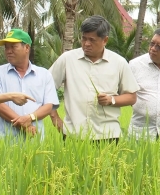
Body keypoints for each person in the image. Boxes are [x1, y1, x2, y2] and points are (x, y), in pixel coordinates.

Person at [49, 15, 139, 144]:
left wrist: (111, 100)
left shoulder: (119, 62)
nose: (86, 44)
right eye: (84, 38)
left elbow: (131, 97)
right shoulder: (67, 59)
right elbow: (47, 88)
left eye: (92, 40)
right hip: (73, 135)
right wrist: (55, 118)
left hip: (108, 136)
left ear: (105, 40)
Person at [0, 29, 59, 141]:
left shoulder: (44, 75)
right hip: (6, 141)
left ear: (26, 48)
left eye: (13, 47)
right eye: (6, 47)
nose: (8, 51)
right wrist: (25, 126)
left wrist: (30, 118)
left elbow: (48, 106)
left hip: (35, 140)